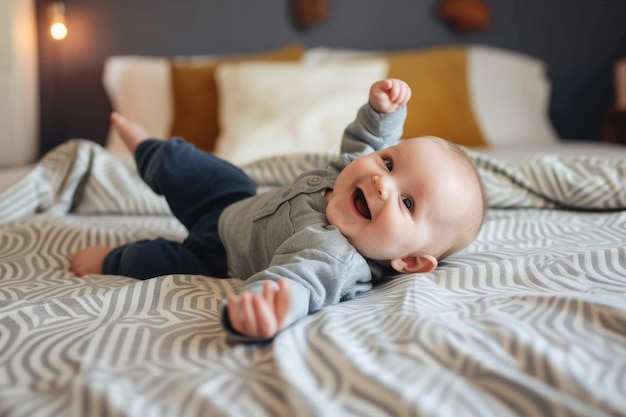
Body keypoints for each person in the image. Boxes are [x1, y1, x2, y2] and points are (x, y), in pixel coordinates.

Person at [71, 78, 485, 341]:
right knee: (183, 164)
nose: (382, 181)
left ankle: (110, 258)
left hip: (216, 257)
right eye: (391, 163)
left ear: (410, 260)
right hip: (235, 199)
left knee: (154, 260)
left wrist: (268, 313)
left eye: (408, 202)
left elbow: (295, 285)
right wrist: (383, 113)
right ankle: (145, 146)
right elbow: (367, 145)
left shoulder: (334, 257)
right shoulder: (352, 173)